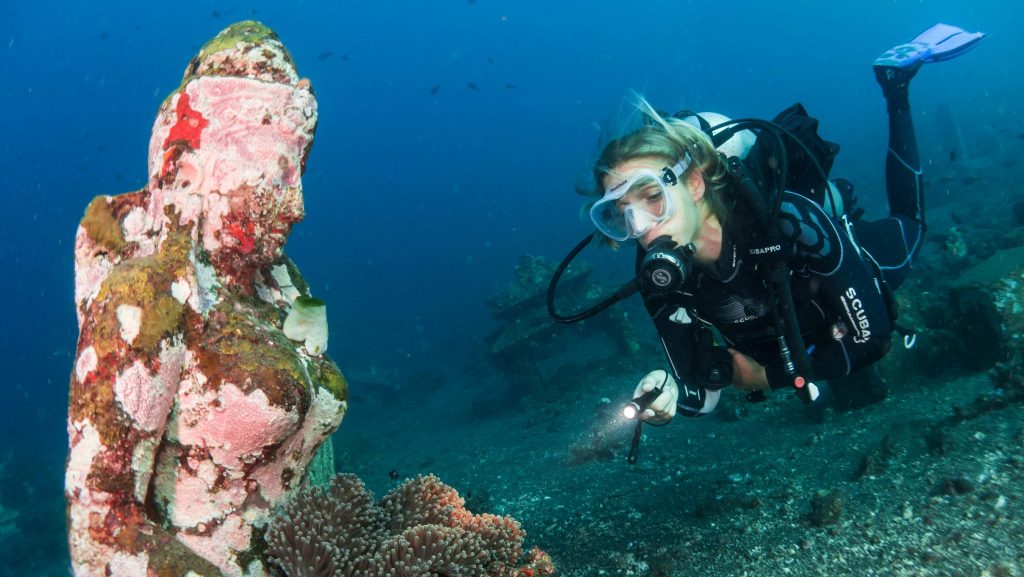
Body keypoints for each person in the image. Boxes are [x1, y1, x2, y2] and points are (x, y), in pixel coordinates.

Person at [568, 24, 985, 422]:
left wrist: (768, 378)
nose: (639, 226)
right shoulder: (659, 275)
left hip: (840, 280)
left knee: (909, 225)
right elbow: (704, 388)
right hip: (791, 334)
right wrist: (672, 396)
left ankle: (895, 88)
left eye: (653, 196)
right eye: (620, 213)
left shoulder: (787, 221)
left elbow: (873, 339)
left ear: (694, 183)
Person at [66, 22, 346, 577]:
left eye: (299, 172)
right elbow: (100, 530)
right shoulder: (149, 304)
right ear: (192, 168)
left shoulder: (288, 291)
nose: (297, 206)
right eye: (276, 173)